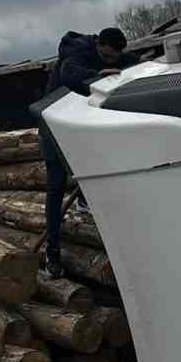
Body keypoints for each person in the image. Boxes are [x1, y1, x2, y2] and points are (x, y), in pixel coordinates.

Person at [38, 27, 136, 277]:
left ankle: (83, 199)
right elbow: (68, 73)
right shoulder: (77, 51)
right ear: (99, 45)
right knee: (56, 184)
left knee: (98, 157)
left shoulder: (113, 54)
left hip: (78, 119)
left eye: (115, 58)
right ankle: (52, 253)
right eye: (107, 57)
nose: (111, 62)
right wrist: (97, 74)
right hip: (52, 119)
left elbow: (133, 62)